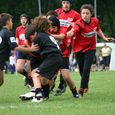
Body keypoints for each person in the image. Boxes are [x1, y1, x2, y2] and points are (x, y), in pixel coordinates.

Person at [67, 4, 114, 96]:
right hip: (78, 50)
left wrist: (104, 38)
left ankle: (81, 91)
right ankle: (85, 85)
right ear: (80, 14)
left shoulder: (95, 21)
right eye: (83, 13)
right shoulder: (78, 24)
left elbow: (98, 30)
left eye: (87, 13)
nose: (85, 15)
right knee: (81, 71)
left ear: (91, 14)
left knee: (86, 69)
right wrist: (69, 33)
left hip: (90, 48)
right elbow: (73, 31)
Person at [24, 16, 63, 102]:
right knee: (44, 80)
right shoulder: (47, 35)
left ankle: (38, 96)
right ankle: (45, 96)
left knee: (35, 74)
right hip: (58, 57)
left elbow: (34, 53)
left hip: (52, 57)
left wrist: (28, 48)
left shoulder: (38, 37)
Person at [0, 13, 38, 87]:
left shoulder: (2, 32)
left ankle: (30, 82)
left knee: (1, 82)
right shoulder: (8, 33)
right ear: (8, 22)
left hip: (1, 60)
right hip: (1, 59)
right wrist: (31, 49)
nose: (12, 23)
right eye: (11, 21)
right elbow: (15, 47)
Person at [54, 0, 80, 95]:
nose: (66, 5)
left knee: (62, 63)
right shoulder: (56, 12)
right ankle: (51, 84)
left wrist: (74, 28)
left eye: (68, 3)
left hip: (67, 43)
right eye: (64, 2)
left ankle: (62, 84)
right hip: (55, 41)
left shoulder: (75, 14)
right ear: (61, 4)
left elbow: (79, 25)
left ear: (70, 4)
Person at [49, 15, 79, 98]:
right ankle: (46, 92)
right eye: (50, 27)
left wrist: (49, 36)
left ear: (57, 26)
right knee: (50, 78)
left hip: (63, 55)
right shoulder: (48, 30)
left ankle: (75, 92)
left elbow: (62, 36)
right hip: (53, 56)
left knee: (66, 76)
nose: (51, 30)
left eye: (53, 27)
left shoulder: (63, 29)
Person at [15, 13, 32, 87]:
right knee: (19, 69)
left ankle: (30, 82)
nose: (23, 20)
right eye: (22, 19)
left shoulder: (31, 28)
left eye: (24, 18)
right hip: (21, 51)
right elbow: (17, 39)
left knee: (29, 72)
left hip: (29, 51)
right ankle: (27, 78)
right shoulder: (18, 29)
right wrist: (17, 45)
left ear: (27, 20)